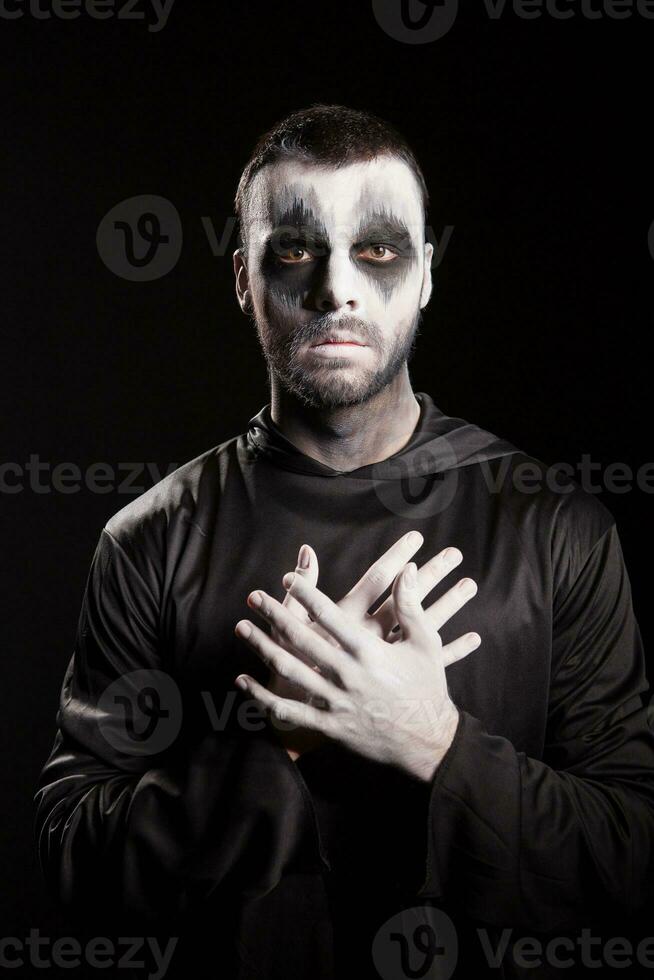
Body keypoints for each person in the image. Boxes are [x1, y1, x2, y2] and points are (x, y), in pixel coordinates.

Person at [34, 103, 654, 979]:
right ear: (245, 279)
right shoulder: (148, 541)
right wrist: (271, 737)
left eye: (378, 250)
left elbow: (630, 862)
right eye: (293, 251)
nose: (336, 288)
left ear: (427, 274)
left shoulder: (558, 527)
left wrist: (432, 740)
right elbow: (72, 869)